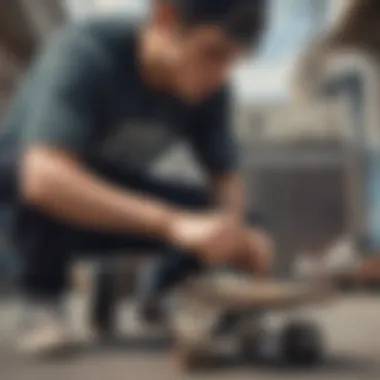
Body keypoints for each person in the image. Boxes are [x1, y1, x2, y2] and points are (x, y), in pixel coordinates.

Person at [0, 0, 274, 356]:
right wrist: (172, 223)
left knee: (240, 221)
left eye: (234, 61)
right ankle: (42, 301)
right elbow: (42, 177)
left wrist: (234, 237)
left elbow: (226, 180)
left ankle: (159, 291)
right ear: (165, 17)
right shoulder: (85, 51)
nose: (220, 74)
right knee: (31, 175)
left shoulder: (211, 85)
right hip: (27, 211)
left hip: (112, 205)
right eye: (214, 53)